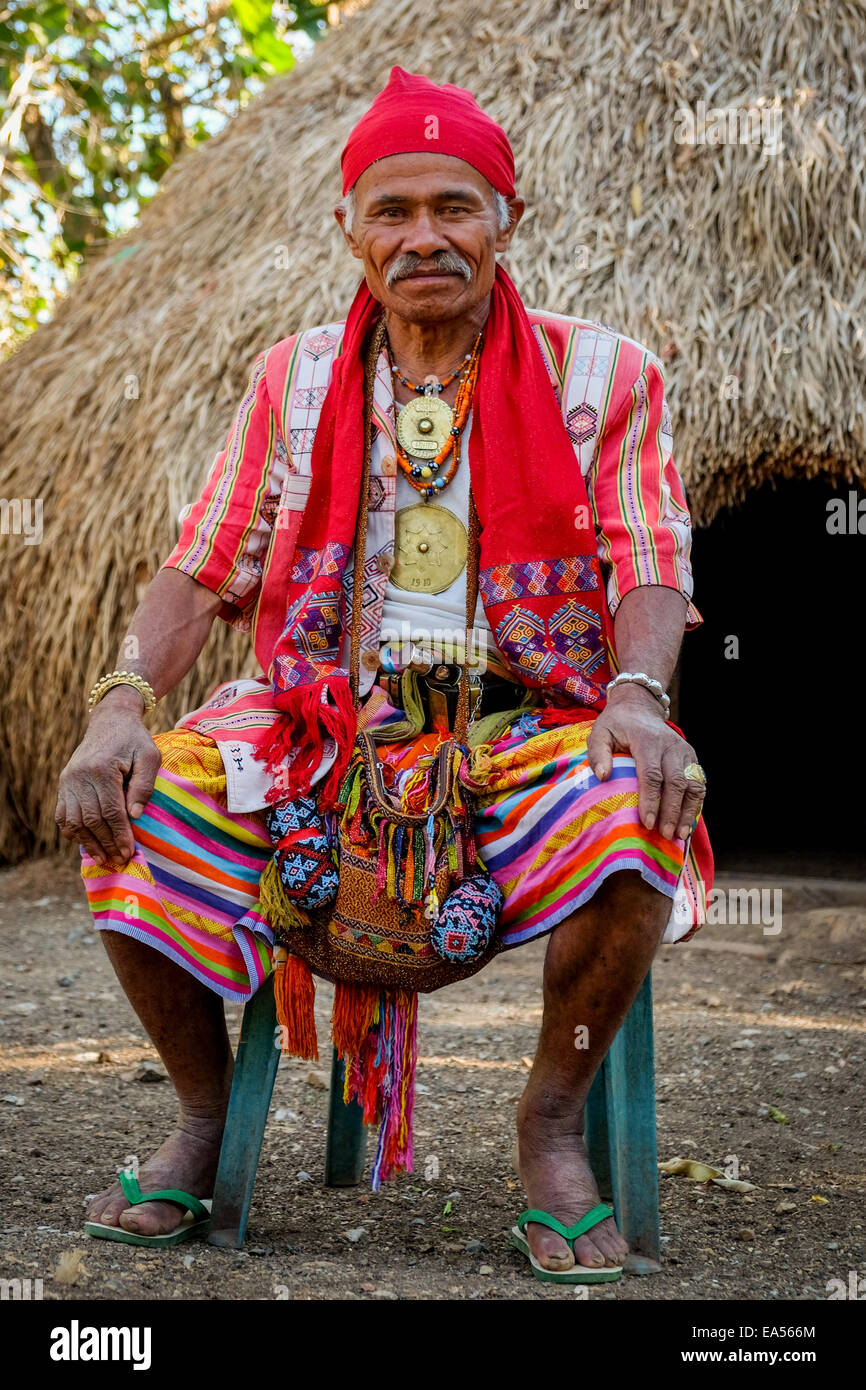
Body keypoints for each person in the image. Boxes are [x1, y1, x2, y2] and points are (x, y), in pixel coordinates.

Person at [56, 66, 711, 1281]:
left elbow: (646, 555)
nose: (424, 237)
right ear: (347, 228)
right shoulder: (291, 376)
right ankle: (199, 1119)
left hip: (528, 715)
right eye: (392, 210)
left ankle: (550, 1127)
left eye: (453, 207)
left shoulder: (603, 375)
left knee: (637, 803)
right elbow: (203, 567)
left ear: (505, 219)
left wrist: (636, 695)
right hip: (321, 711)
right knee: (132, 804)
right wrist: (117, 709)